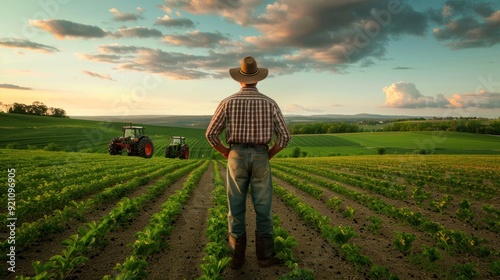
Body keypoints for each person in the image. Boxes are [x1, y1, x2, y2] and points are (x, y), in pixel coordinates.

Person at [206, 56, 291, 269]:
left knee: (235, 208)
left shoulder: (227, 102)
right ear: (258, 79)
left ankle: (236, 258)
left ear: (240, 79)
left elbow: (211, 135)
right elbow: (285, 137)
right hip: (262, 155)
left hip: (236, 156)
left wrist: (227, 152)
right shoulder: (270, 103)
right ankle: (265, 257)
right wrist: (269, 154)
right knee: (263, 208)